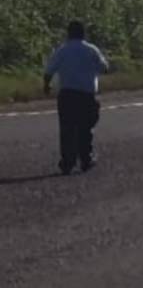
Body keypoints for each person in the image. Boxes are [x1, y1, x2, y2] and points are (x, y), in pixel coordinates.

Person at [44, 21, 109, 175]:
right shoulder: (91, 49)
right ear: (83, 33)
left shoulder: (62, 50)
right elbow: (104, 68)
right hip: (86, 95)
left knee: (67, 129)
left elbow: (49, 71)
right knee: (85, 127)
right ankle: (86, 159)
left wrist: (46, 86)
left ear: (68, 33)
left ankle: (68, 162)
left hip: (67, 95)